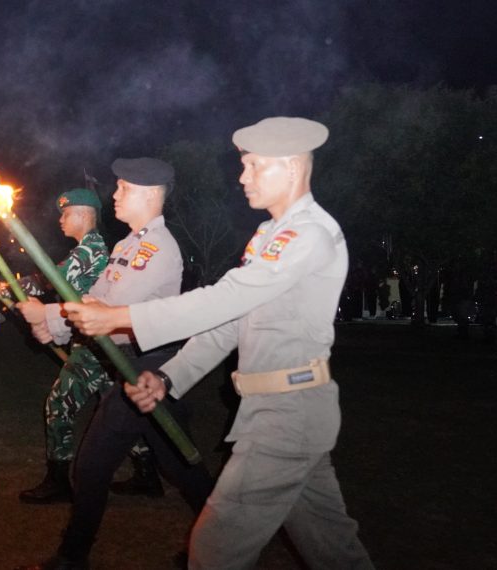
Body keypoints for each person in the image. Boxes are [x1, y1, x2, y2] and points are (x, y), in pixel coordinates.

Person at [64, 117, 374, 569]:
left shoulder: (306, 234)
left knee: (212, 550)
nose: (242, 176)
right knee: (335, 553)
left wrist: (121, 316)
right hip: (282, 410)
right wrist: (169, 377)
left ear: (289, 168)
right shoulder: (270, 237)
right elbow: (229, 322)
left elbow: (228, 297)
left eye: (252, 166)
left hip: (288, 416)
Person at [17, 159, 214, 570]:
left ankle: (73, 558)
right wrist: (54, 328)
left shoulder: (155, 249)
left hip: (149, 369)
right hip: (127, 366)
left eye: (123, 189)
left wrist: (50, 317)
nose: (115, 195)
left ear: (148, 193)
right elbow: (93, 303)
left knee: (106, 465)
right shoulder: (126, 246)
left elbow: (109, 310)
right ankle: (220, 544)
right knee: (179, 468)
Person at [0, 187, 114, 503]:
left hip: (96, 344)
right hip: (97, 341)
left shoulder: (89, 251)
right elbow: (46, 279)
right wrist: (7, 287)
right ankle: (148, 472)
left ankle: (58, 482)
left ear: (83, 214)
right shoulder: (87, 249)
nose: (60, 219)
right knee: (117, 405)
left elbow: (49, 280)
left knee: (59, 403)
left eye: (66, 213)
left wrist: (6, 288)